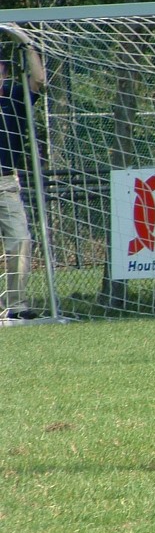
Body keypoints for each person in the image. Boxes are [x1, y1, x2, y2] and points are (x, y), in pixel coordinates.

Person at [0, 25, 47, 320]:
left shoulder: (14, 97)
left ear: (4, 72)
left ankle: (15, 306)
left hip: (5, 183)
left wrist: (27, 42)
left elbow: (39, 79)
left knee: (20, 240)